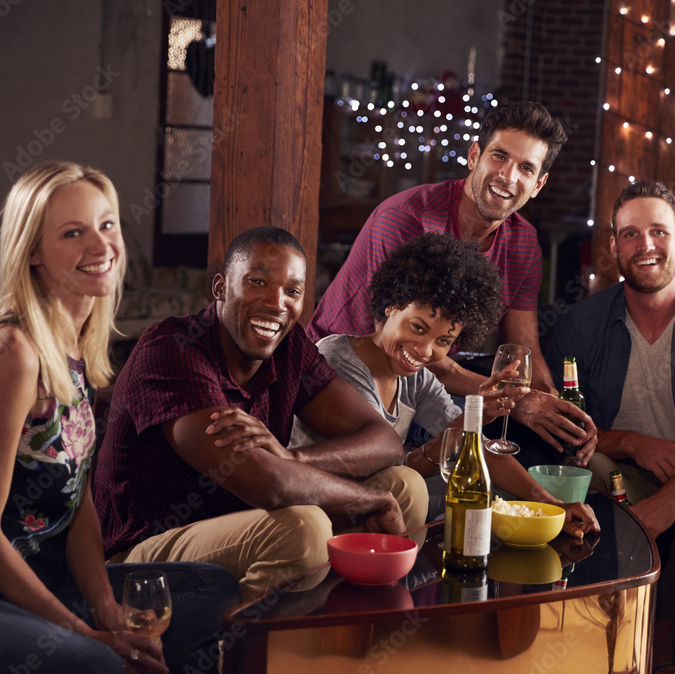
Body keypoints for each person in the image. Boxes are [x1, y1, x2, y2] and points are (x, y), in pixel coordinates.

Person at [0, 161, 238, 673]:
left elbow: (78, 496)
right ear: (32, 252)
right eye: (73, 232)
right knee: (98, 663)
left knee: (217, 591)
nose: (102, 245)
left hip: (52, 577)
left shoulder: (76, 343)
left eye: (107, 224)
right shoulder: (11, 353)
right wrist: (87, 633)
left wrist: (109, 610)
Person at [94, 226, 428, 602]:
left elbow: (384, 440)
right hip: (140, 556)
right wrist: (371, 499)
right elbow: (267, 484)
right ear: (220, 288)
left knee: (405, 486)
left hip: (247, 524)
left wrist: (293, 457)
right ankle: (235, 652)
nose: (276, 303)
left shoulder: (288, 347)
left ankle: (357, 627)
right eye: (258, 282)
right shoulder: (173, 348)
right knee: (304, 528)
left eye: (293, 291)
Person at [545, 180, 675, 671]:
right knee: (583, 468)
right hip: (620, 470)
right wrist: (632, 443)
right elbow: (555, 417)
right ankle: (587, 610)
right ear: (614, 247)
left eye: (658, 232)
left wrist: (670, 500)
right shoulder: (582, 324)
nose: (645, 246)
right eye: (630, 235)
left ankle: (662, 627)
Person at [309, 101, 595, 455]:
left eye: (525, 168)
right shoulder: (406, 219)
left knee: (536, 451)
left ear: (538, 184)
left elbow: (525, 351)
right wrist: (514, 402)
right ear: (475, 155)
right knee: (464, 464)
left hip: (419, 385)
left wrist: (557, 411)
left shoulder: (523, 243)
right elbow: (410, 344)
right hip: (339, 378)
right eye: (500, 156)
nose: (508, 176)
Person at [290, 234, 599, 537]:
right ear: (391, 306)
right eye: (417, 327)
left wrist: (551, 504)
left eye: (443, 341)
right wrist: (465, 424)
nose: (425, 350)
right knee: (411, 483)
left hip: (374, 504)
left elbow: (473, 447)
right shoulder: (339, 359)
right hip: (316, 507)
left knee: (480, 488)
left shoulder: (416, 377)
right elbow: (378, 465)